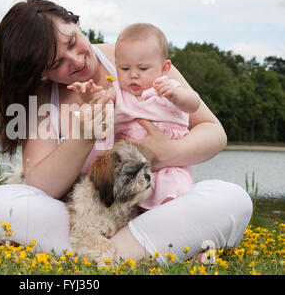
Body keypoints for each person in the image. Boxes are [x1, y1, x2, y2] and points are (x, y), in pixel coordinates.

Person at [0, 0, 252, 265]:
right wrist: (84, 135)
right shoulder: (43, 97)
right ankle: (137, 251)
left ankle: (102, 254)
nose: (76, 60)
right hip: (92, 217)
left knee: (233, 200)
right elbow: (41, 187)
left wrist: (168, 153)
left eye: (73, 42)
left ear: (74, 21)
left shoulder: (136, 59)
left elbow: (214, 132)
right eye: (56, 63)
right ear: (41, 73)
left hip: (155, 209)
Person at [67, 23, 201, 210]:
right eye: (124, 69)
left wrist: (176, 96)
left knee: (171, 194)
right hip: (127, 167)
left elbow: (194, 104)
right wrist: (88, 96)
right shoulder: (119, 92)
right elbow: (101, 103)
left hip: (165, 166)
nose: (133, 75)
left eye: (143, 68)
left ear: (165, 68)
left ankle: (167, 218)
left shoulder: (166, 88)